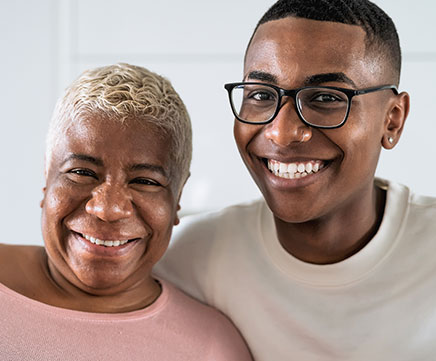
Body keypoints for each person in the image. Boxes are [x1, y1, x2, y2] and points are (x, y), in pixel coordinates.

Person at [155, 1, 436, 360]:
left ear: (392, 120)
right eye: (260, 95)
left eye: (325, 98)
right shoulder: (189, 257)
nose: (282, 132)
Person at [0, 63, 252, 361]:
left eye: (144, 181)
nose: (108, 209)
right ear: (47, 176)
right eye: (82, 172)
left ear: (177, 197)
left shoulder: (212, 347)